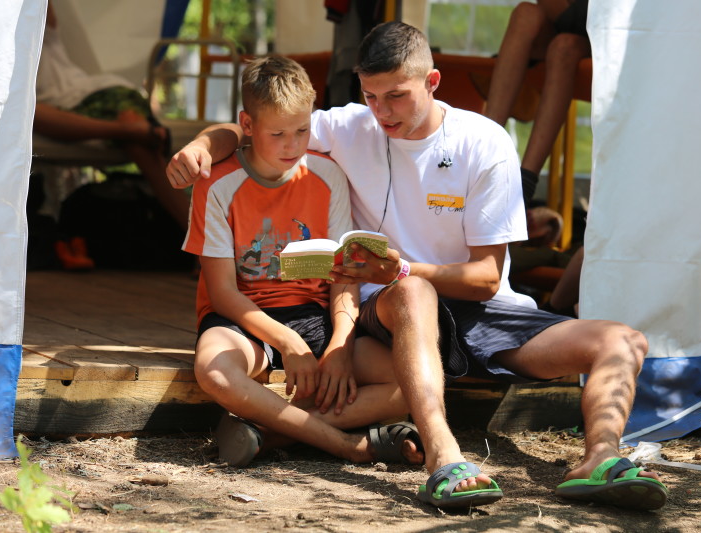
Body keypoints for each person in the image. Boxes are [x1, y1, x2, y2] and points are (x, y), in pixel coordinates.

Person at [166, 22, 668, 511]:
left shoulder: (484, 141)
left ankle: (601, 458)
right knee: (412, 295)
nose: (381, 111)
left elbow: (488, 279)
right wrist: (200, 147)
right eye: (371, 96)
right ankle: (445, 460)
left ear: (432, 82)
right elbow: (254, 126)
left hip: (476, 309)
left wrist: (405, 270)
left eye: (396, 96)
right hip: (389, 311)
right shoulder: (347, 126)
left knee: (623, 340)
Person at [183, 54, 426, 473]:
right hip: (246, 321)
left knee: (409, 380)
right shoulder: (218, 185)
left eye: (302, 130)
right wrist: (287, 343)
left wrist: (339, 345)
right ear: (247, 124)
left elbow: (344, 275)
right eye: (277, 133)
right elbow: (222, 292)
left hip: (314, 317)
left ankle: (269, 435)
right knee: (215, 371)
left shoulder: (327, 174)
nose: (293, 145)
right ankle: (347, 446)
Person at [35, 5, 190, 241]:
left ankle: (203, 246)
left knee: (142, 148)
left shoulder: (35, 19)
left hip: (97, 91)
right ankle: (204, 246)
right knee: (30, 112)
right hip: (49, 108)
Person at [483, 0, 591, 207]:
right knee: (525, 13)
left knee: (563, 47)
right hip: (568, 28)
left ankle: (524, 185)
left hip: (609, 35)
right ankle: (481, 152)